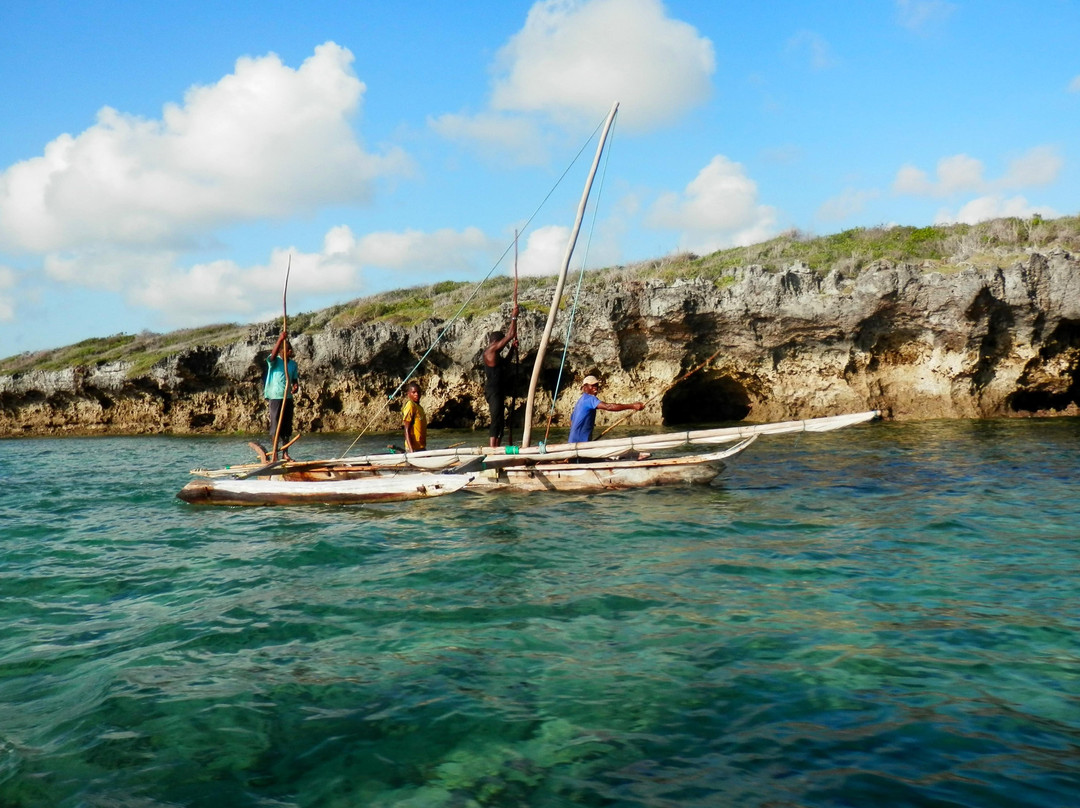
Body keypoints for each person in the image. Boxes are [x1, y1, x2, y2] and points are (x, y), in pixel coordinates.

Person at [482, 303, 519, 447]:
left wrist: (512, 349)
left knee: (501, 420)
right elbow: (510, 335)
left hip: (498, 390)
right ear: (496, 343)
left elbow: (506, 363)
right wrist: (514, 316)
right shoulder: (490, 351)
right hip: (493, 391)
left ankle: (497, 445)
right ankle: (492, 448)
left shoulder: (496, 357)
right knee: (496, 419)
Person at [568, 375, 644, 443]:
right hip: (580, 445)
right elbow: (608, 407)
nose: (595, 388)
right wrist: (632, 406)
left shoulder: (580, 401)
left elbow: (571, 422)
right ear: (585, 388)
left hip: (574, 443)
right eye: (592, 385)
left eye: (596, 385)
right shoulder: (590, 399)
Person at [264, 331, 299, 458]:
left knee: (286, 426)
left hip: (287, 397)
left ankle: (285, 453)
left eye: (291, 350)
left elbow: (295, 380)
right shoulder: (274, 362)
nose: (290, 352)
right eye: (288, 350)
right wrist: (280, 339)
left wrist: (295, 387)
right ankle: (274, 453)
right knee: (276, 425)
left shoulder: (293, 364)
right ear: (282, 351)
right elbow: (272, 355)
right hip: (276, 397)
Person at [401, 382, 427, 452]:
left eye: (418, 392)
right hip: (414, 449)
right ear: (408, 394)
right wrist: (411, 450)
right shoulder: (410, 406)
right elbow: (406, 430)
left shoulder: (419, 408)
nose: (416, 394)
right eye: (414, 392)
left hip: (421, 447)